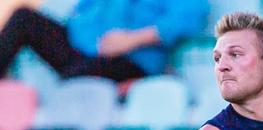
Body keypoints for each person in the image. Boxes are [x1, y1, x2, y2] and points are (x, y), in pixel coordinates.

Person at [0, 0, 209, 81]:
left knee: (79, 77)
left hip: (130, 59)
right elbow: (80, 13)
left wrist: (131, 40)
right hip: (84, 49)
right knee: (23, 18)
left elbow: (191, 14)